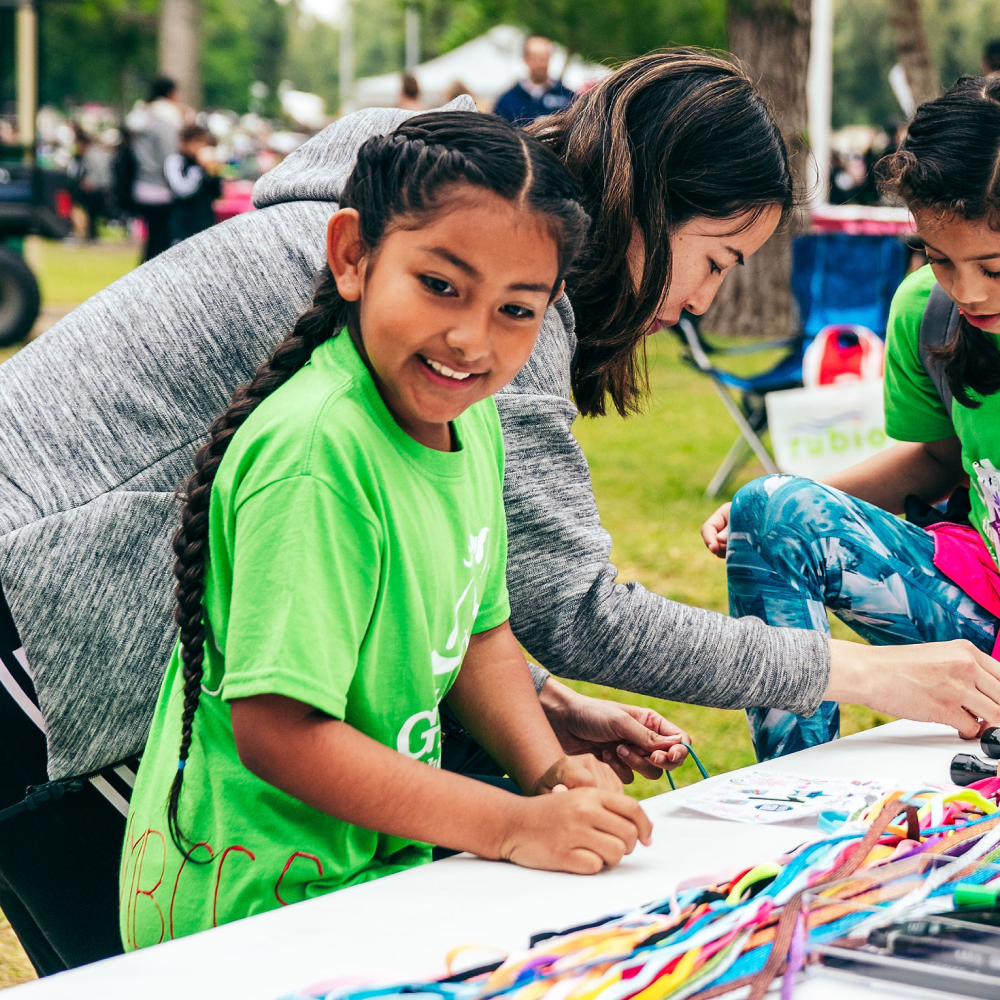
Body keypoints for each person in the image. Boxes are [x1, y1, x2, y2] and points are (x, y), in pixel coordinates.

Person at [1, 50, 996, 975]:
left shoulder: (455, 298)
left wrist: (541, 716)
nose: (700, 302)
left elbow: (475, 596)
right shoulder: (476, 305)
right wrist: (863, 668)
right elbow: (575, 610)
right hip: (46, 637)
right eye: (717, 259)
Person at [120, 111, 652, 948]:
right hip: (254, 914)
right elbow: (279, 734)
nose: (471, 339)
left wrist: (547, 771)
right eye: (441, 285)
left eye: (516, 309)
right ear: (353, 256)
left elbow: (479, 635)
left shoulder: (470, 425)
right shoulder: (319, 455)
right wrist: (512, 825)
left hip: (364, 884)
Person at [701, 74, 1000, 762]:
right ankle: (795, 794)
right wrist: (791, 508)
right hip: (982, 612)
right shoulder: (927, 311)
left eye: (995, 266)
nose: (969, 291)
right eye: (940, 258)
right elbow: (936, 458)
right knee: (770, 508)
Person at [128, 76, 182, 260]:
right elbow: (170, 158)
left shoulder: (143, 118)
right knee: (160, 241)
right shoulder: (165, 122)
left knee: (152, 239)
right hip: (160, 188)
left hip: (141, 184)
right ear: (171, 93)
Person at [494, 36, 574, 126]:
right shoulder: (508, 100)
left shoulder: (568, 97)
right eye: (535, 58)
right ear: (525, 59)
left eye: (544, 58)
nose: (540, 64)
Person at [164, 124, 223, 245]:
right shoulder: (177, 161)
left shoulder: (206, 163)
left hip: (204, 219)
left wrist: (213, 172)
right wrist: (199, 170)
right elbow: (181, 190)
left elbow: (217, 192)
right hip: (183, 222)